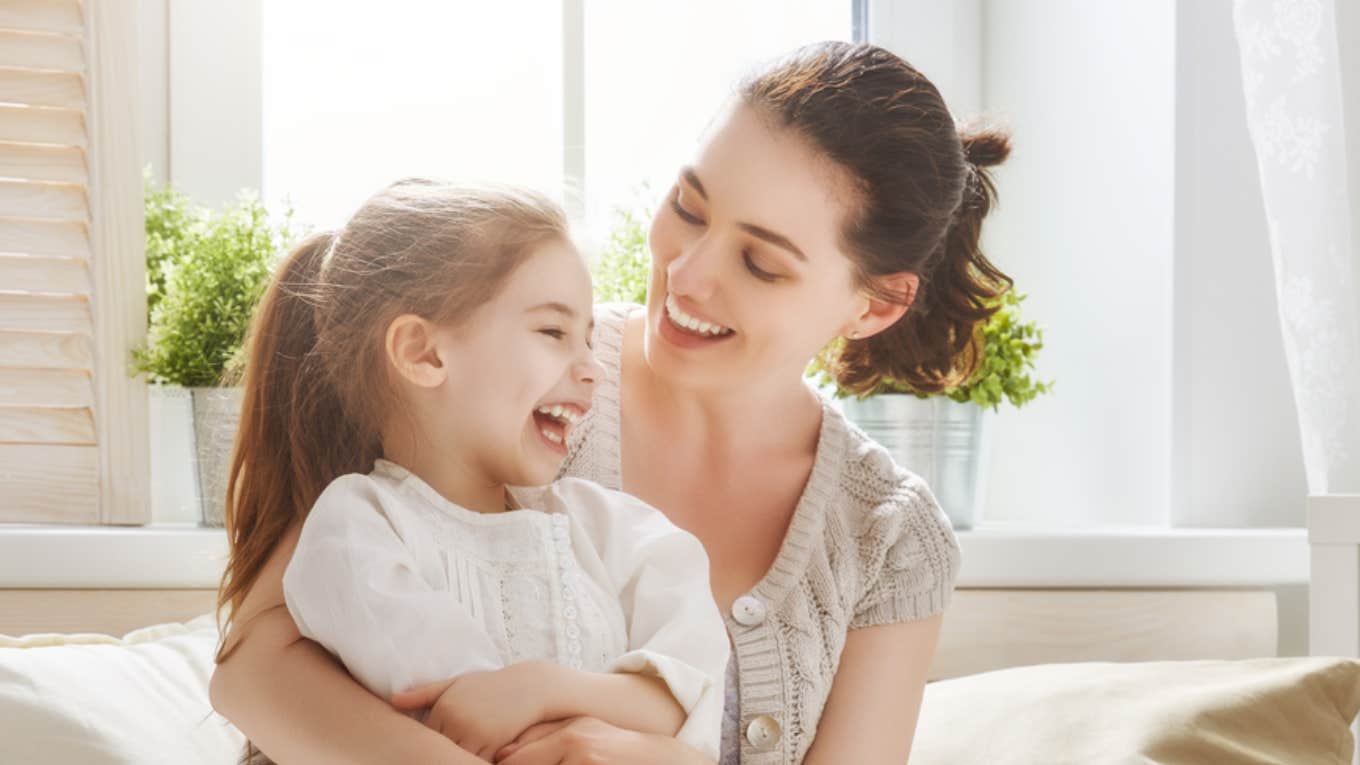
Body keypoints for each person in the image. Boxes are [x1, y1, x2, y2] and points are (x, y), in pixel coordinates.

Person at [211, 40, 1011, 764]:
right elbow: (252, 672)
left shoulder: (891, 539)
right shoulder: (512, 375)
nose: (688, 274)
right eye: (689, 207)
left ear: (875, 305)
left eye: (760, 263)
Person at [216, 179, 728, 764]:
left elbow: (685, 696)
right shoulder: (360, 527)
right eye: (553, 332)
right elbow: (465, 719)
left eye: (588, 339)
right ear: (423, 353)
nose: (593, 370)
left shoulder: (614, 527)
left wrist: (545, 687)